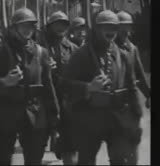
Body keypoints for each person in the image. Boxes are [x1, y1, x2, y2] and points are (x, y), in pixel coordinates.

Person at [62, 10, 146, 165]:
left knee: (121, 159)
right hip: (89, 118)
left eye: (114, 28)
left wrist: (137, 116)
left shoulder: (123, 55)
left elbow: (132, 86)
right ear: (96, 29)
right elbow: (64, 84)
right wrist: (88, 87)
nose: (111, 31)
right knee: (86, 160)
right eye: (105, 27)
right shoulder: (81, 54)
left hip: (117, 118)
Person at [0, 8, 60, 165]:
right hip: (7, 111)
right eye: (23, 26)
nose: (27, 30)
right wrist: (4, 82)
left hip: (35, 111)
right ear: (13, 29)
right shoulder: (1, 53)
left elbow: (48, 87)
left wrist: (55, 117)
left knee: (34, 159)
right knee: (4, 159)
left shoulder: (41, 52)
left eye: (30, 26)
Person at [41, 11, 79, 165]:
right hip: (44, 100)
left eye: (63, 24)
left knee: (70, 144)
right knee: (36, 144)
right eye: (56, 24)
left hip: (66, 101)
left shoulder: (73, 49)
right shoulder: (39, 48)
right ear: (49, 27)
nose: (60, 27)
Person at [115, 11, 150, 109]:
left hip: (129, 99)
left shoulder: (132, 48)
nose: (126, 30)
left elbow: (139, 73)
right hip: (111, 101)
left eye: (128, 26)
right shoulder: (108, 47)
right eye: (122, 26)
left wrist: (148, 94)